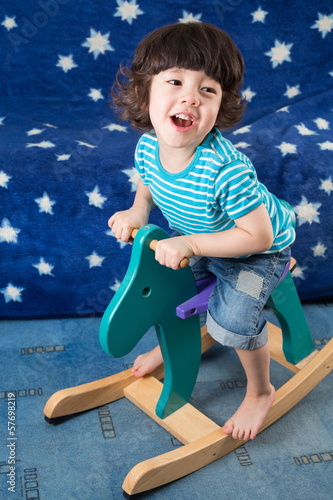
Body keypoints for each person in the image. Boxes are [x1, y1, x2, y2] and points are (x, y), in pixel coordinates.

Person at [108, 22, 295, 441]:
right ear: (145, 92)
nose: (190, 96)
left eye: (208, 90)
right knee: (168, 290)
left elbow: (258, 237)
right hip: (203, 242)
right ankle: (176, 343)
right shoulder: (149, 144)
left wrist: (191, 243)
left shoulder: (225, 169)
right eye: (175, 81)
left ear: (220, 105)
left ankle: (261, 390)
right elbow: (148, 179)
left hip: (256, 252)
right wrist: (139, 209)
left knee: (230, 322)